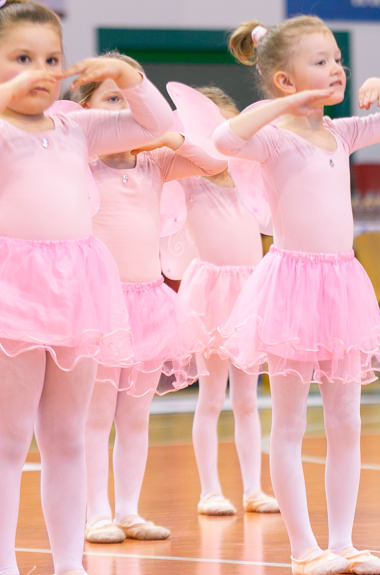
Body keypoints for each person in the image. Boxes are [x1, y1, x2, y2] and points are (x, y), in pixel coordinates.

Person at [213, 15, 380, 575]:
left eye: (338, 60)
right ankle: (304, 547)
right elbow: (226, 138)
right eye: (321, 61)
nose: (336, 70)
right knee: (289, 422)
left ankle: (344, 541)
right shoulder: (274, 137)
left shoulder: (342, 132)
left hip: (341, 283)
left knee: (346, 419)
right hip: (290, 284)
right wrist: (290, 104)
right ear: (284, 80)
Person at [0, 1, 174, 572]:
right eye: (21, 57)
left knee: (68, 438)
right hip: (13, 289)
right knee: (9, 439)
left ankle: (68, 562)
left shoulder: (76, 126)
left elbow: (162, 127)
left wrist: (130, 78)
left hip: (76, 287)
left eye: (50, 58)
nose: (39, 70)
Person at [68, 53, 226, 544]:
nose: (124, 112)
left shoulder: (155, 161)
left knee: (135, 416)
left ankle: (129, 510)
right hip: (98, 305)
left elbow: (217, 165)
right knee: (95, 415)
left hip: (147, 302)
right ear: (89, 113)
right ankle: (96, 512)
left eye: (130, 100)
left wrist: (168, 135)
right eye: (111, 100)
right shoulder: (81, 161)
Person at [172, 85, 279, 517]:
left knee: (249, 398)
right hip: (210, 292)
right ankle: (210, 489)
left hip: (250, 290)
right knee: (212, 395)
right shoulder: (187, 180)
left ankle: (253, 487)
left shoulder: (251, 179)